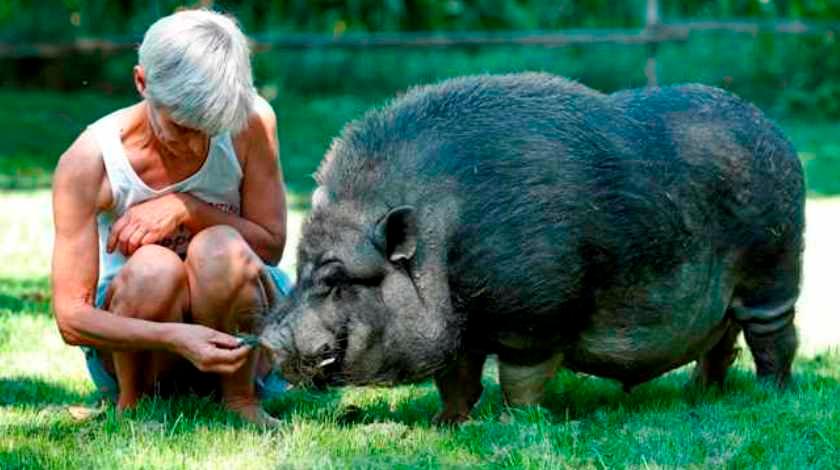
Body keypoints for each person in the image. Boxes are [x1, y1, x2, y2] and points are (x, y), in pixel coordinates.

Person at [51, 8, 289, 426]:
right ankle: (134, 404)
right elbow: (71, 319)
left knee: (220, 247)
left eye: (209, 129)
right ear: (142, 82)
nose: (196, 145)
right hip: (140, 346)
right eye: (182, 127)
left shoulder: (250, 121)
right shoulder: (90, 162)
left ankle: (241, 400)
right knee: (153, 267)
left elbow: (270, 246)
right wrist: (175, 337)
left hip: (245, 338)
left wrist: (189, 209)